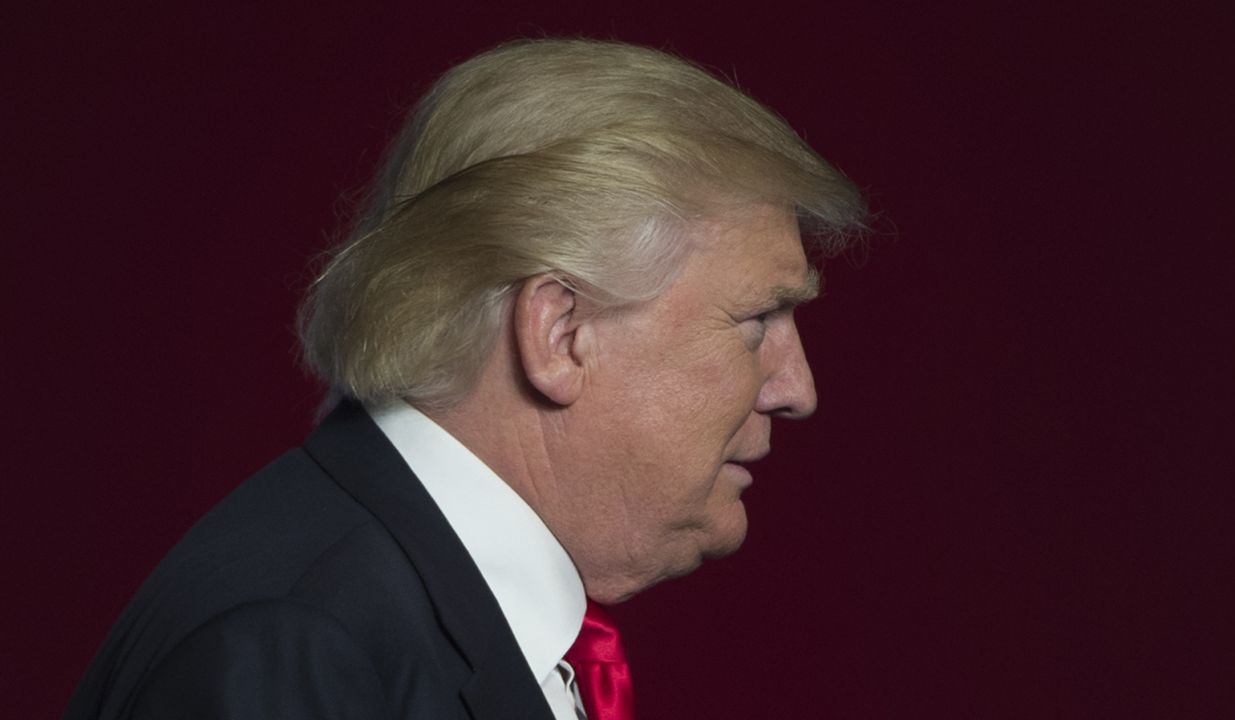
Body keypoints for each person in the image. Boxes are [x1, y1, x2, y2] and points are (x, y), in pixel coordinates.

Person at [66, 37, 865, 719]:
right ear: (562, 333)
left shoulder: (388, 607)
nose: (797, 388)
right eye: (758, 320)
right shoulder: (295, 648)